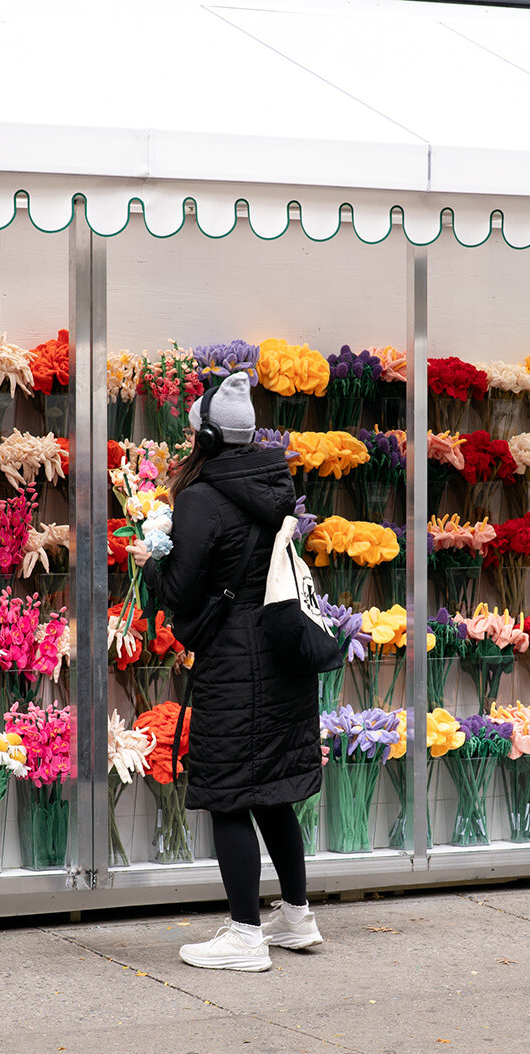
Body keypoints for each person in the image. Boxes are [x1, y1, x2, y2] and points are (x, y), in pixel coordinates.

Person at [125, 373, 323, 971]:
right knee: (273, 791)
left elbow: (183, 592)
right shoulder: (273, 484)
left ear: (206, 436)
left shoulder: (202, 498)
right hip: (281, 652)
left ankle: (244, 936)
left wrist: (151, 562)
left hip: (236, 662)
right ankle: (296, 917)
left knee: (230, 793)